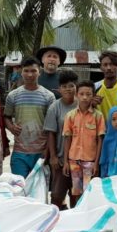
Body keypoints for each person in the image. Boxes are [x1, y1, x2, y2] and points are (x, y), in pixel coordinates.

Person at [4, 56, 55, 178]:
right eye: (26, 71)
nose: (30, 74)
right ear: (21, 72)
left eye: (33, 71)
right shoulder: (13, 96)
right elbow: (6, 116)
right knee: (20, 189)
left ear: (39, 72)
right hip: (19, 152)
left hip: (41, 152)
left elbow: (52, 127)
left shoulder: (49, 96)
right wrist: (11, 127)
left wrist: (47, 151)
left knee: (39, 191)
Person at [62, 80, 106, 206]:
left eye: (88, 94)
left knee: (89, 192)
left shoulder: (98, 116)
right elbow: (67, 138)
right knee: (76, 191)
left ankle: (88, 217)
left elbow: (100, 140)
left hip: (90, 161)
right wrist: (65, 161)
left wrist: (96, 164)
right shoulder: (70, 116)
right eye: (82, 94)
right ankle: (76, 215)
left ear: (93, 96)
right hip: (74, 160)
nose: (85, 97)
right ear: (76, 95)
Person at [44, 70, 79, 208]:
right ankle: (57, 221)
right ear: (59, 89)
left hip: (79, 159)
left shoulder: (81, 104)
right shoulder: (55, 107)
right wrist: (52, 156)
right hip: (60, 158)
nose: (68, 89)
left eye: (71, 85)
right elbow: (51, 132)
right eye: (64, 86)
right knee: (57, 195)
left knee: (76, 194)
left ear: (76, 86)